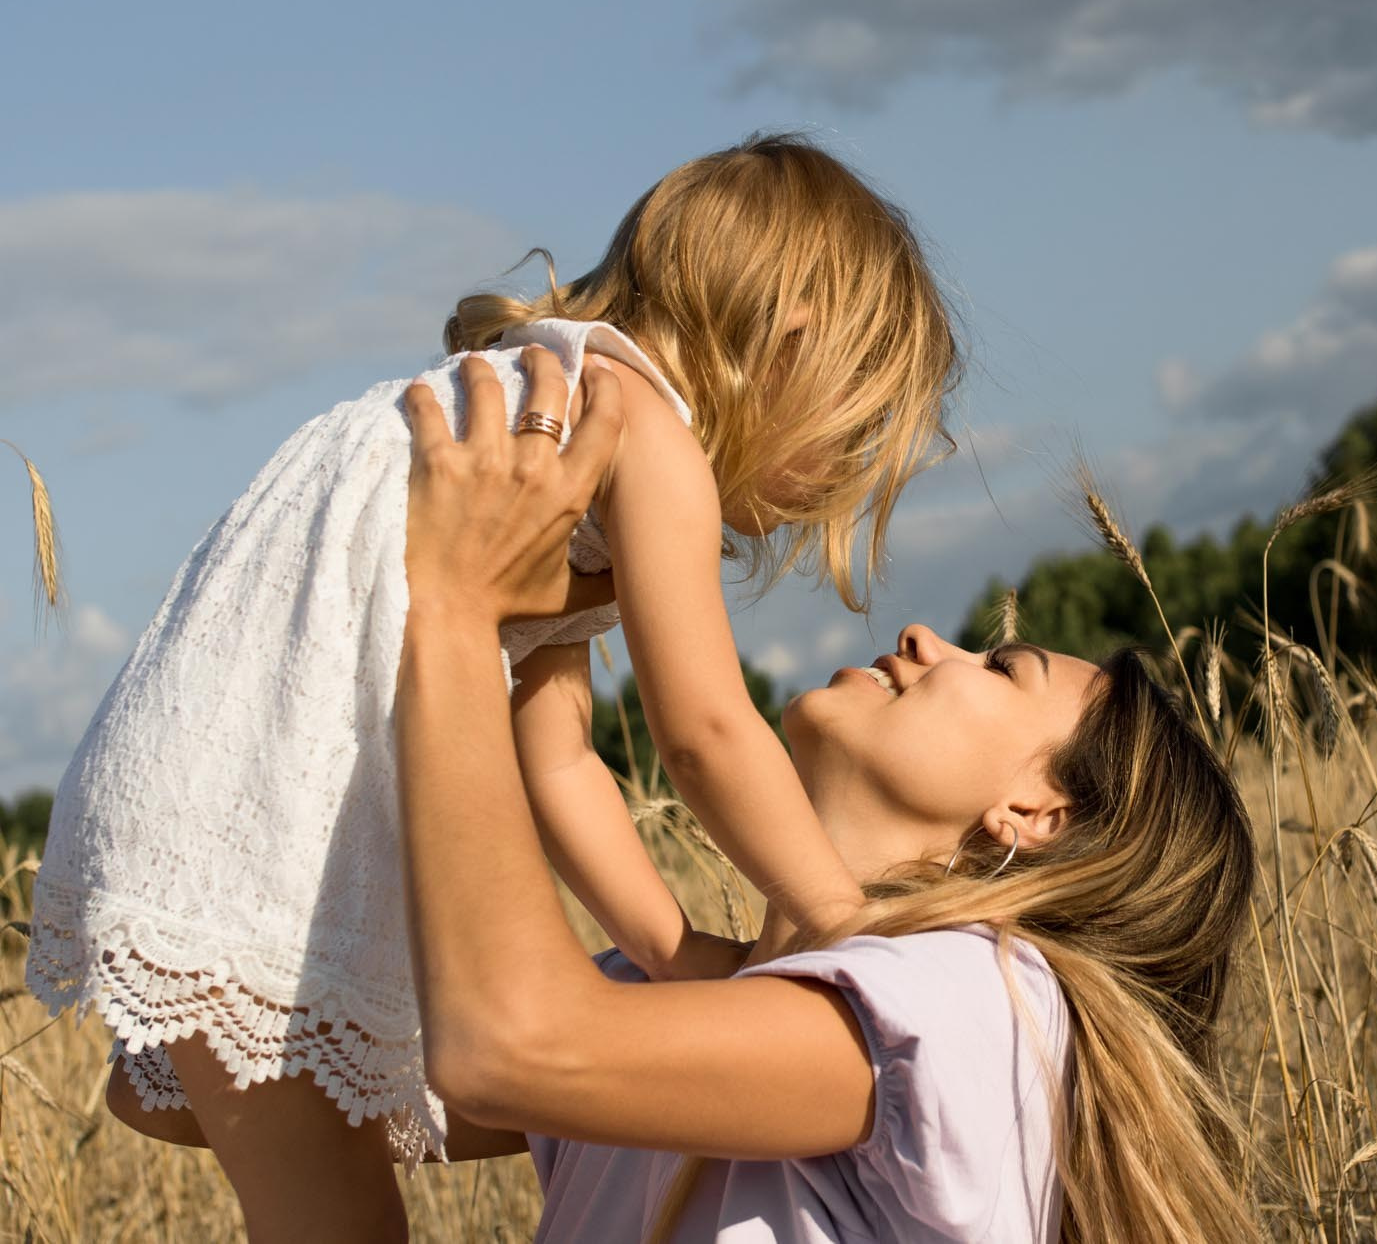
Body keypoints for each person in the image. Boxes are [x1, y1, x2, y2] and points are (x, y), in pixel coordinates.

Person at [116, 328, 1264, 1240]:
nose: (928, 634)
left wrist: (453, 606)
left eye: (1004, 667)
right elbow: (165, 1082)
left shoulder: (986, 1012)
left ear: (1036, 813)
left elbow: (505, 1044)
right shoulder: (672, 1004)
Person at [29, 133, 959, 1240]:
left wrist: (668, 950)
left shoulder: (530, 421)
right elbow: (706, 727)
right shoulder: (641, 425)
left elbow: (556, 755)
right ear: (790, 342)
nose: (834, 485)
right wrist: (838, 917)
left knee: (310, 1199)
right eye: (849, 437)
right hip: (275, 829)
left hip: (194, 800)